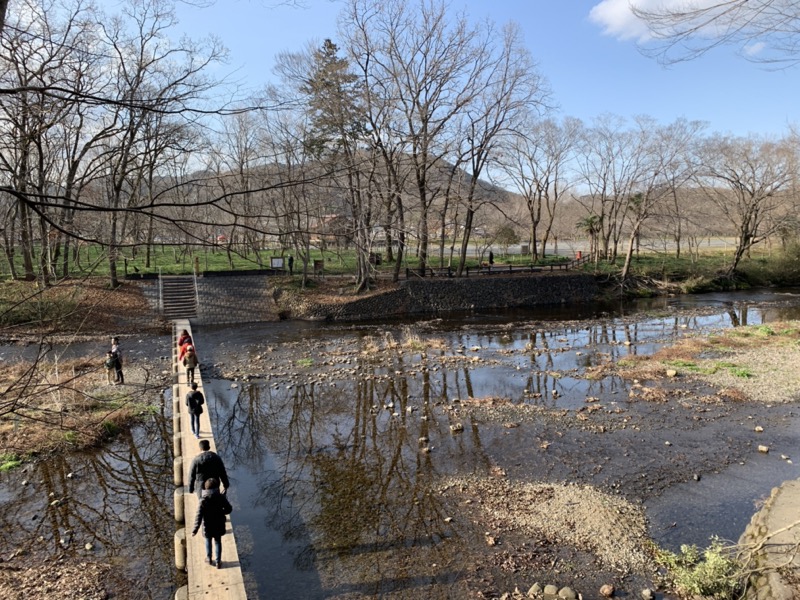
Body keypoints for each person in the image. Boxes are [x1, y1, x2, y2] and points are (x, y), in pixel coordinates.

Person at [191, 477, 232, 569]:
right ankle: (218, 562)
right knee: (218, 542)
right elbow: (229, 509)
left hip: (207, 526)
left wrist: (195, 529)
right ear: (217, 487)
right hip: (218, 524)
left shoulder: (203, 500)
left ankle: (209, 558)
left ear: (205, 488)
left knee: (208, 540)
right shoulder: (221, 498)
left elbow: (199, 516)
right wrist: (222, 512)